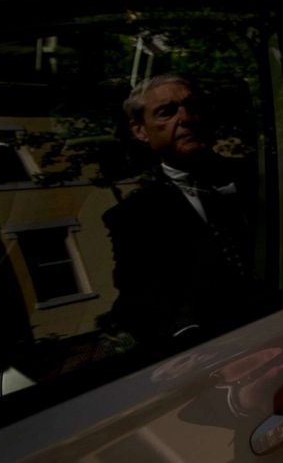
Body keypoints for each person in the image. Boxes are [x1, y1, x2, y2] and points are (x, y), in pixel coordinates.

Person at [103, 74, 255, 344]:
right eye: (166, 112)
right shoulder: (133, 218)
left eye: (193, 107)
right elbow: (141, 300)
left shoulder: (259, 177)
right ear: (140, 130)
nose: (186, 118)